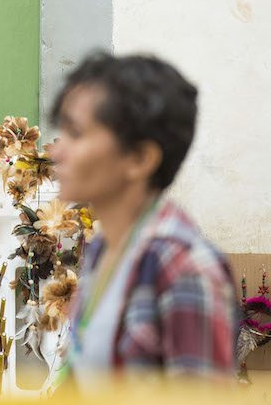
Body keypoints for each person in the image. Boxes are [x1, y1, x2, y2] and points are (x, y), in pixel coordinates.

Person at [49, 52, 236, 387]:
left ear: (139, 158)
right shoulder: (106, 247)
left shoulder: (184, 269)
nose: (55, 151)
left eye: (75, 134)